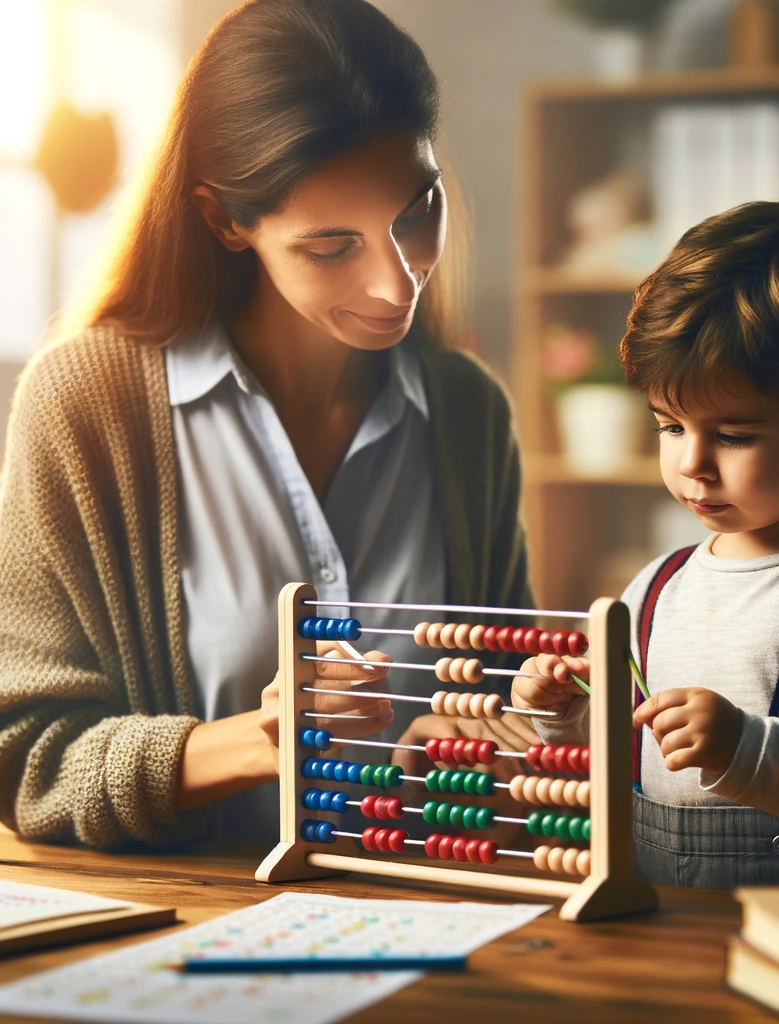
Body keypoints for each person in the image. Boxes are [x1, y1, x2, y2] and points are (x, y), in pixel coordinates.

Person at [0, 0, 532, 850]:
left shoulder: (467, 409)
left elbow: (506, 698)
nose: (399, 286)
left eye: (417, 214)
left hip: (441, 919)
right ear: (225, 220)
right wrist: (251, 743)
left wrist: (515, 734)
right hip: (178, 931)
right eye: (332, 247)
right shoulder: (85, 405)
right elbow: (26, 759)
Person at [512, 202, 779, 888]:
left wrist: (746, 748)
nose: (692, 464)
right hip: (655, 928)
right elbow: (630, 755)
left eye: (733, 436)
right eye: (670, 426)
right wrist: (567, 720)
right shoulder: (654, 588)